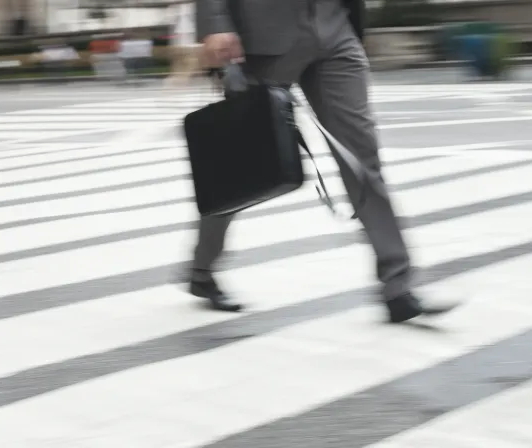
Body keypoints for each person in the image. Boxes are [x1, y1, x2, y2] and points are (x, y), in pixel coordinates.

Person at [191, 0, 458, 323]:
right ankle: (202, 269)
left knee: (362, 159)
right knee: (243, 163)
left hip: (336, 30)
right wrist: (215, 23)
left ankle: (397, 286)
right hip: (263, 38)